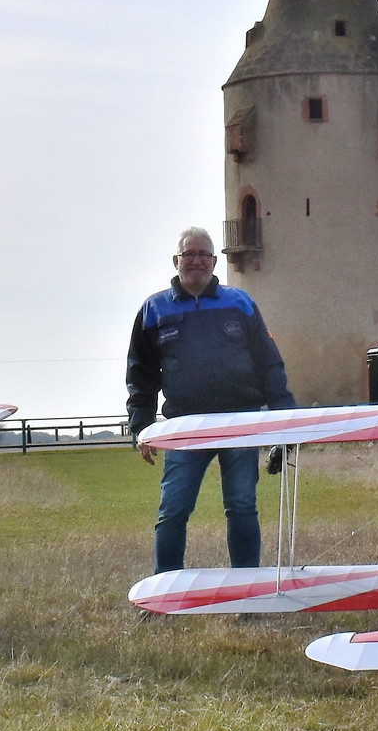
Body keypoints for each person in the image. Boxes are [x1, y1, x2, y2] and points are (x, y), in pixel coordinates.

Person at [127, 227, 296, 573]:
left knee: (242, 506)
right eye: (189, 254)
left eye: (204, 254)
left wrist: (285, 417)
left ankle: (246, 592)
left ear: (214, 261)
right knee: (173, 509)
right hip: (184, 426)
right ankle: (166, 591)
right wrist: (142, 426)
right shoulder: (153, 309)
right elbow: (140, 375)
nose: (196, 261)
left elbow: (268, 363)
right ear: (176, 261)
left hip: (241, 421)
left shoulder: (240, 303)